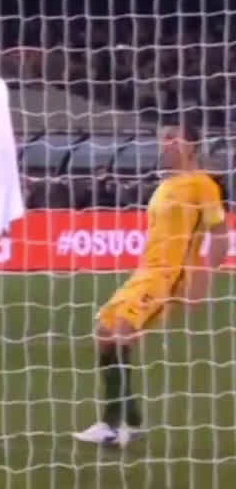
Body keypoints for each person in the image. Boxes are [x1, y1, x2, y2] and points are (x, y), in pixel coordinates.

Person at [74, 121, 229, 446]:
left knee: (122, 331)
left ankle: (112, 426)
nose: (167, 144)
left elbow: (219, 234)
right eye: (164, 139)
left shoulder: (202, 185)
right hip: (145, 272)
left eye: (174, 138)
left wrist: (204, 278)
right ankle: (132, 421)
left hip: (168, 277)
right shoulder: (164, 185)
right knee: (104, 332)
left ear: (192, 146)